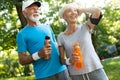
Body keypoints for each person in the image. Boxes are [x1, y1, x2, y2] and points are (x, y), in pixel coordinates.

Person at [16, 0, 69, 80]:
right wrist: (39, 54)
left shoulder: (47, 27)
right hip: (44, 75)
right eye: (32, 9)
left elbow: (56, 46)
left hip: (62, 70)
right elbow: (22, 60)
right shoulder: (21, 34)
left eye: (37, 8)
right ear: (24, 13)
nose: (36, 10)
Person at [57, 3, 109, 80]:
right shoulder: (61, 37)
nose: (73, 12)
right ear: (64, 17)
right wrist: (69, 60)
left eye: (75, 10)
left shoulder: (85, 27)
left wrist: (81, 10)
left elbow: (97, 11)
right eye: (69, 11)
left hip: (95, 70)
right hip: (76, 75)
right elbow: (61, 60)